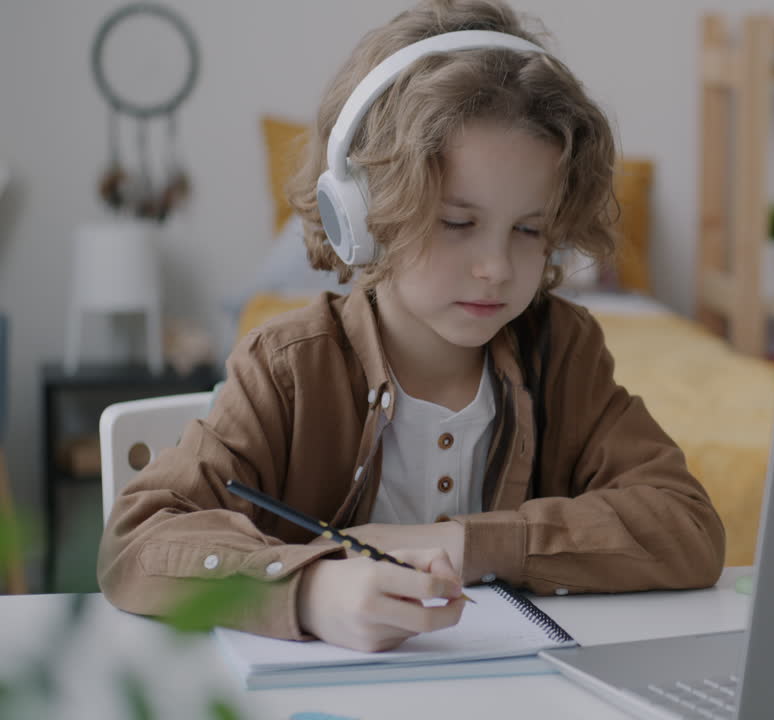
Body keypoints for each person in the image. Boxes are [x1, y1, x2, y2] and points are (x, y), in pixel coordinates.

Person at [98, 0, 725, 653]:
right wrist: (307, 590)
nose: (495, 267)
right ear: (360, 216)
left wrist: (465, 542)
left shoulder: (562, 351)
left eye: (529, 229)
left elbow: (687, 527)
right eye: (457, 222)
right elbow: (137, 542)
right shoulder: (287, 368)